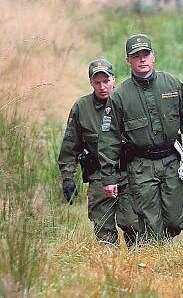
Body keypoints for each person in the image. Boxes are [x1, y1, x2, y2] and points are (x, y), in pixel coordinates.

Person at [98, 33, 183, 243]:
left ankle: (160, 244)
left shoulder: (172, 84)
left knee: (175, 219)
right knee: (150, 219)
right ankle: (157, 256)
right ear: (128, 60)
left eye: (145, 54)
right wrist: (109, 177)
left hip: (170, 162)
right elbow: (108, 139)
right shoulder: (120, 96)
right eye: (136, 55)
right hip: (141, 166)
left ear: (153, 56)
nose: (142, 59)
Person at [58, 59, 139, 248]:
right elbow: (70, 146)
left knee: (133, 223)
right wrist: (68, 177)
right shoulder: (82, 108)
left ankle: (138, 265)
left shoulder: (128, 101)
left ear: (114, 80)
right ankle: (108, 266)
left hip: (129, 172)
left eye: (106, 81)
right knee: (103, 228)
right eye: (97, 82)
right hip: (99, 175)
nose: (102, 87)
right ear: (91, 83)